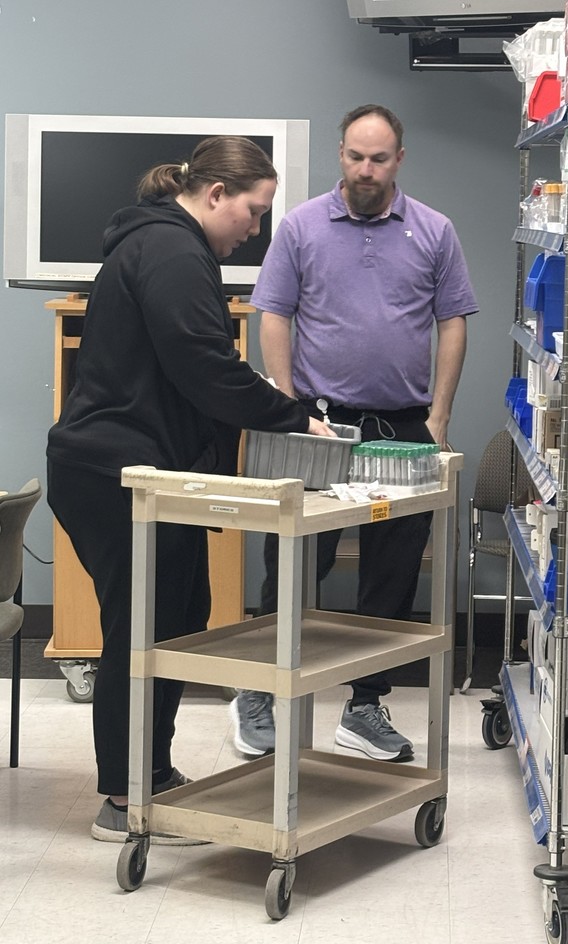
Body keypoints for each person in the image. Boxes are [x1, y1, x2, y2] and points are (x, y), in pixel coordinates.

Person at [46, 136, 334, 844]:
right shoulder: (173, 251)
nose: (256, 229)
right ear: (215, 194)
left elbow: (190, 370)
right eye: (253, 210)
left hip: (136, 468)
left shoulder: (166, 244)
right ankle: (124, 799)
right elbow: (205, 367)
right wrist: (294, 416)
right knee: (143, 630)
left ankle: (151, 776)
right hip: (114, 472)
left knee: (176, 616)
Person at [230, 104, 478, 762]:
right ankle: (260, 693)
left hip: (404, 425)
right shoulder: (301, 225)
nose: (366, 170)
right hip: (320, 420)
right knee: (293, 562)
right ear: (340, 154)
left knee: (392, 573)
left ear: (399, 160)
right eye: (355, 156)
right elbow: (273, 312)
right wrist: (287, 405)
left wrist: (439, 417)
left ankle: (365, 706)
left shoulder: (434, 230)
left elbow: (453, 321)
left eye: (379, 158)